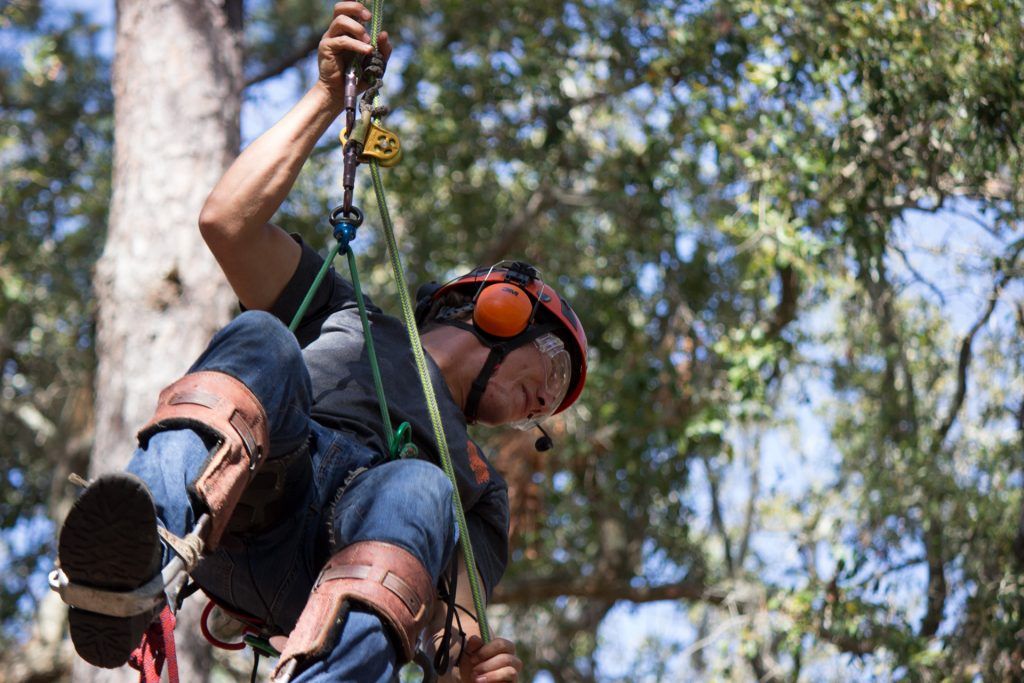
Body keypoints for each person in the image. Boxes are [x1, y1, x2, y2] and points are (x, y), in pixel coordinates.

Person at [55, 3, 588, 682]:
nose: (544, 396)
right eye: (552, 363)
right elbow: (228, 222)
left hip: (344, 568)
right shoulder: (343, 311)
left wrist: (463, 669)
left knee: (422, 484)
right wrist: (327, 98)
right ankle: (131, 570)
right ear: (498, 308)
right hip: (253, 493)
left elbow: (454, 625)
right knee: (261, 338)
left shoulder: (478, 485)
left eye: (551, 402)